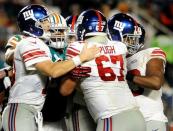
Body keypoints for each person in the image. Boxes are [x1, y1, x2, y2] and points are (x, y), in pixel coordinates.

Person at [1, 5, 100, 131]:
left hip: (38, 110)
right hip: (22, 107)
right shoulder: (28, 42)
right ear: (33, 24)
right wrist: (80, 58)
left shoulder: (41, 45)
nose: (49, 25)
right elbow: (52, 70)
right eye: (44, 21)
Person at [66, 9, 146, 131]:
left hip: (111, 117)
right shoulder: (120, 47)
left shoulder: (77, 48)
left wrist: (69, 72)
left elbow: (66, 88)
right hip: (137, 116)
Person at [108, 13, 168, 131]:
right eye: (128, 38)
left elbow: (156, 82)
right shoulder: (111, 60)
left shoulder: (150, 53)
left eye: (134, 39)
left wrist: (127, 74)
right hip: (125, 122)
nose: (133, 43)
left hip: (151, 121)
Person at [65, 15, 96, 131]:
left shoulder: (92, 50)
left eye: (76, 37)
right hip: (70, 108)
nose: (73, 41)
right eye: (70, 37)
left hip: (93, 106)